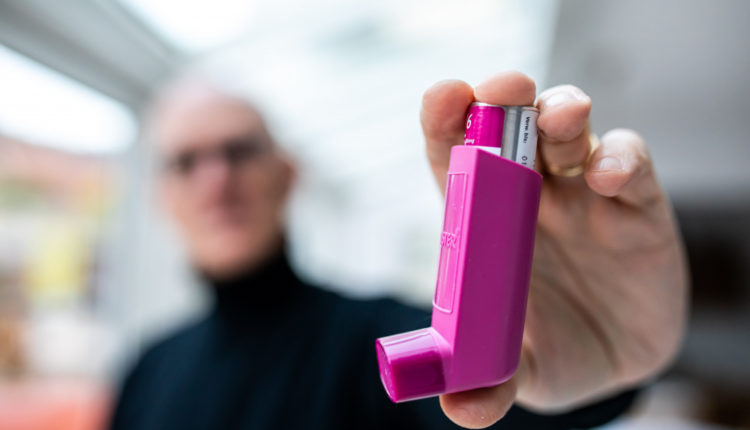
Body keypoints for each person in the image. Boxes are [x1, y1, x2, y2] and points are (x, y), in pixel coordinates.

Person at [109, 71, 688, 429]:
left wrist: (606, 371)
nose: (216, 181)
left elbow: (486, 409)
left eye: (238, 152)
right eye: (186, 162)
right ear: (161, 197)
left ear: (288, 174)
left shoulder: (372, 340)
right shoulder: (146, 369)